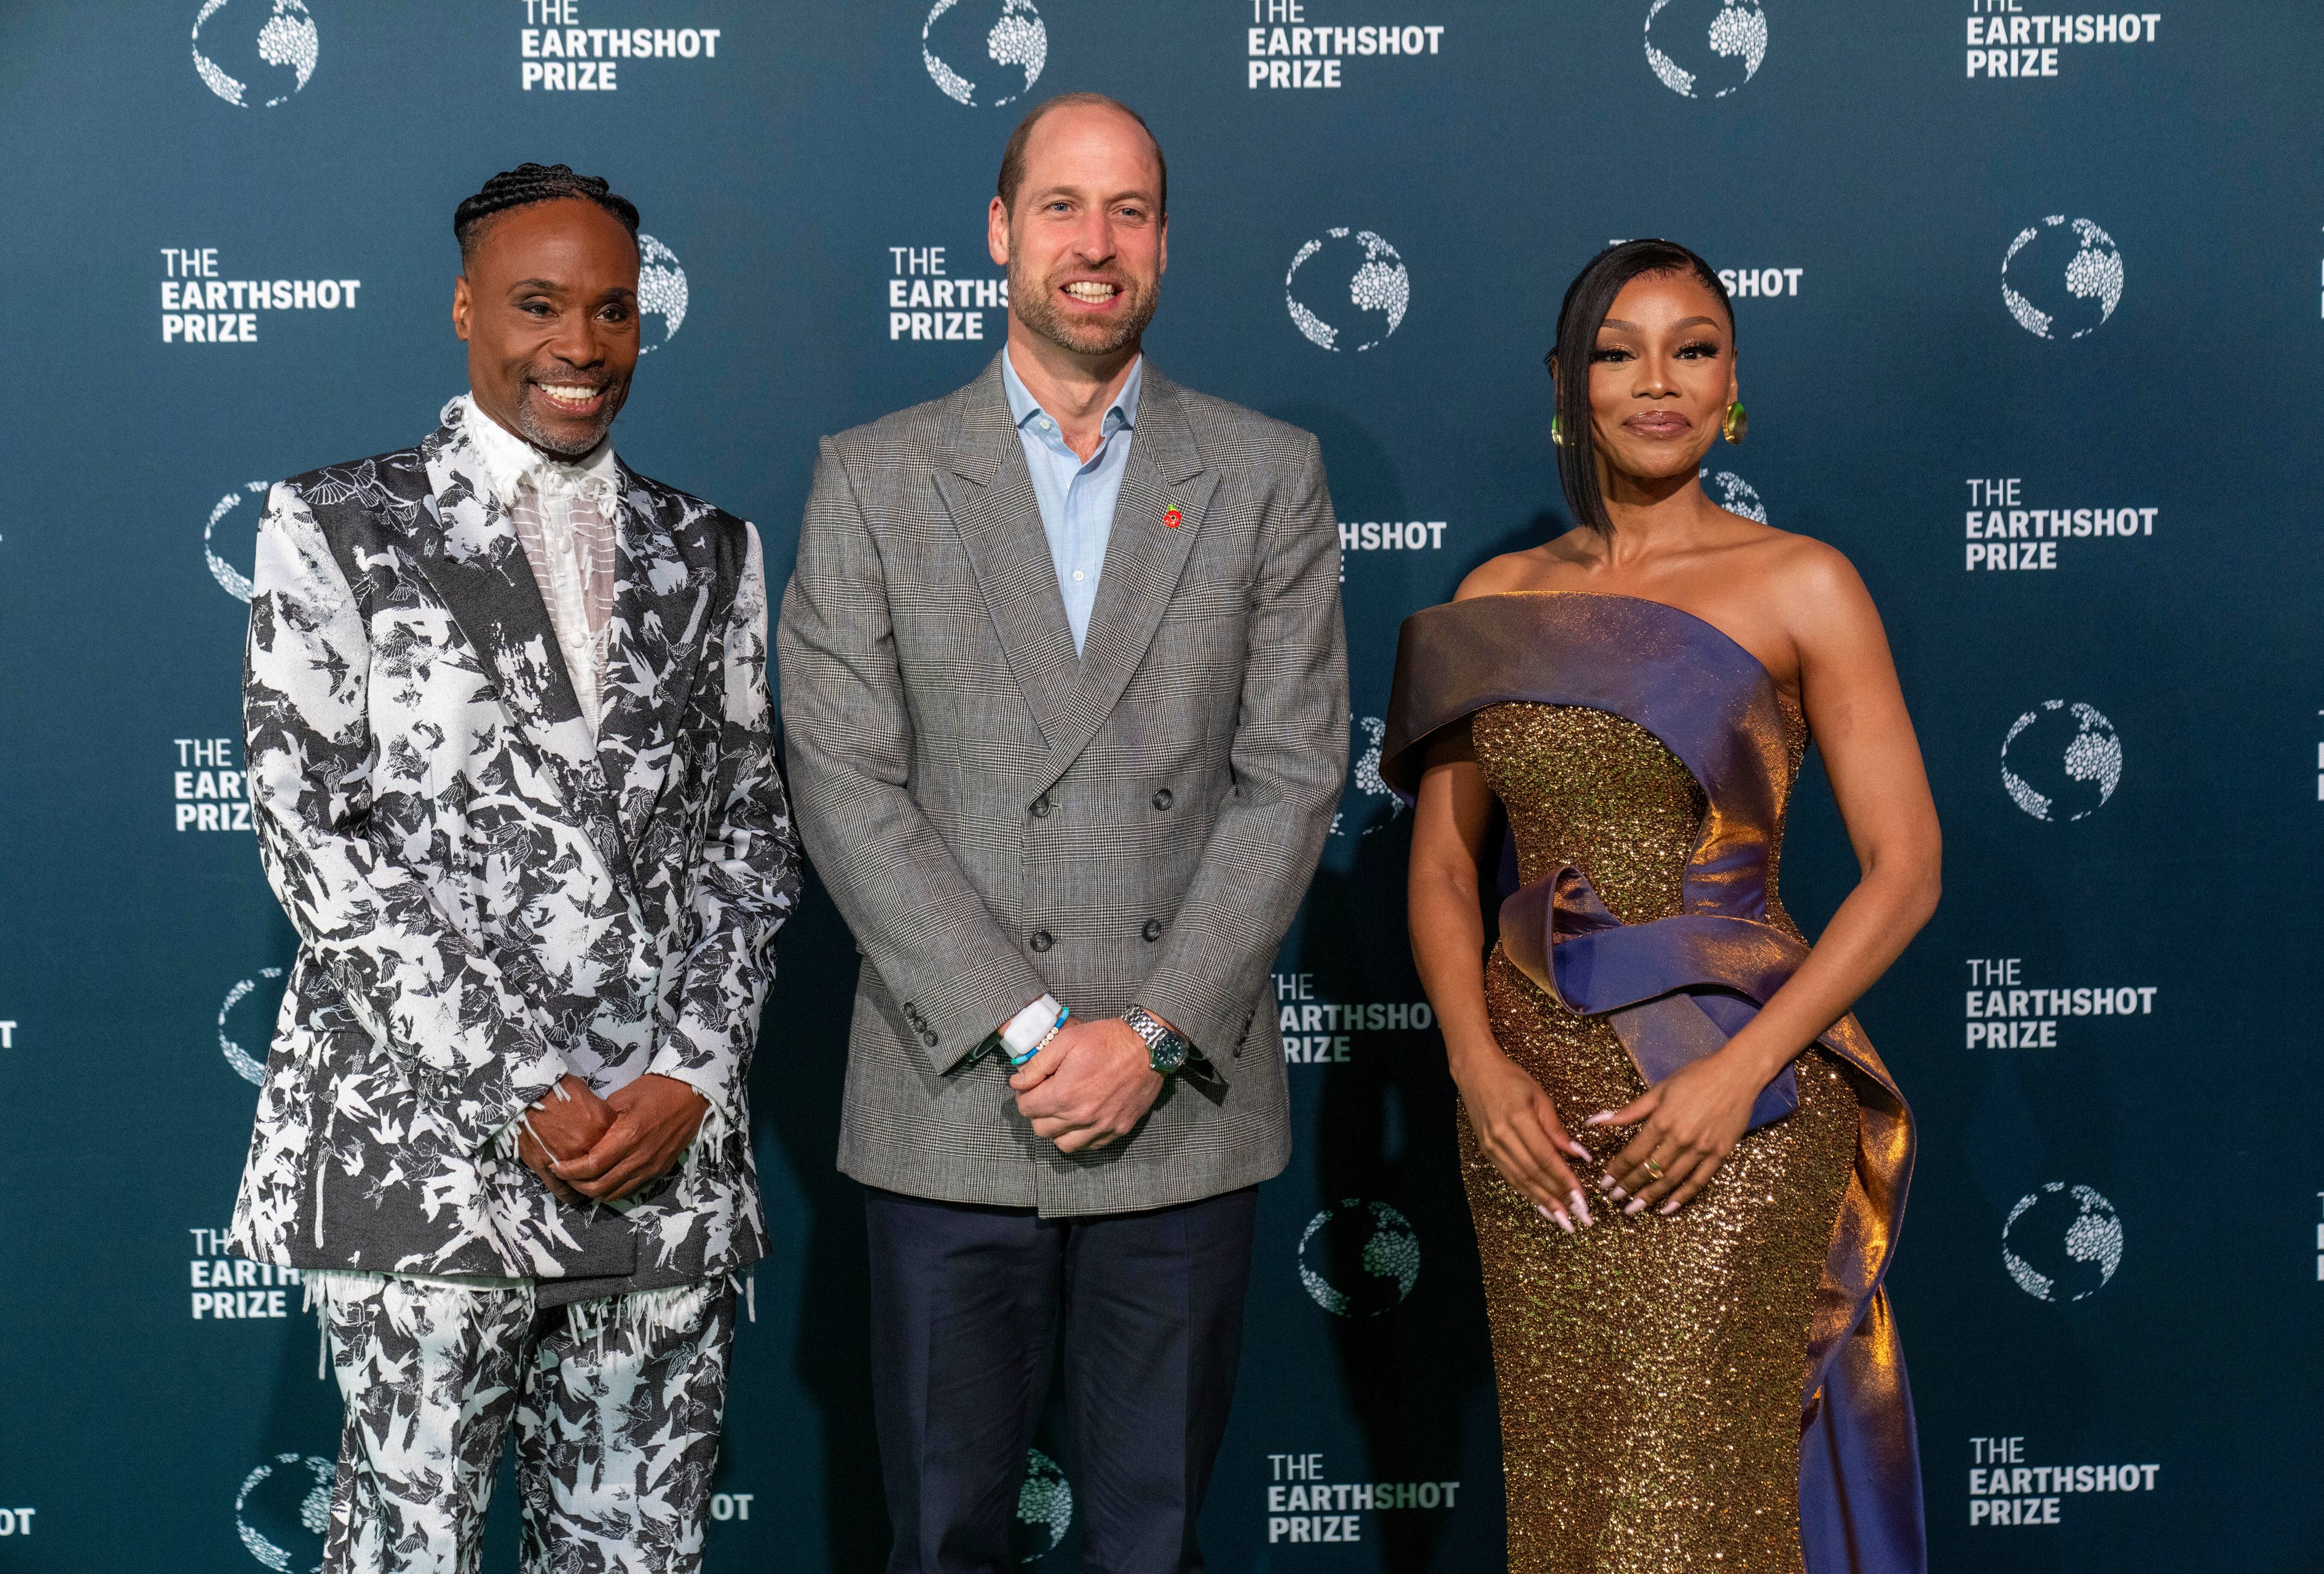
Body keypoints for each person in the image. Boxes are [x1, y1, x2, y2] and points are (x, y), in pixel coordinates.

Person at [777, 92, 1348, 1574]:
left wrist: (1149, 1033)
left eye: (1131, 211)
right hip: (955, 1096)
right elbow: (844, 779)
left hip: (1183, 1107)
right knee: (946, 1536)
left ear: (1164, 241)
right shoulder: (876, 473)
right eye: (1062, 208)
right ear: (999, 233)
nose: (1096, 245)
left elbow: (1291, 773)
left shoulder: (1263, 471)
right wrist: (1032, 1026)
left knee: (1153, 1541)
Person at [230, 164, 800, 1574]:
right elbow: (320, 837)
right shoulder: (335, 523)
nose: (582, 345)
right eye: (540, 304)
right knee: (405, 1552)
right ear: (466, 309)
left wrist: (694, 1073)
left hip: (661, 1166)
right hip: (431, 1161)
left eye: (613, 310)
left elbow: (749, 831)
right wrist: (517, 1085)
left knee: (637, 1555)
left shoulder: (716, 549)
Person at [1386, 240, 1938, 1574]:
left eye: (1693, 349)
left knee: (1696, 1511)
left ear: (1732, 385)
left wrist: (1741, 1075)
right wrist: (1477, 1071)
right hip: (1534, 1132)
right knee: (1573, 1513)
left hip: (1729, 1115)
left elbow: (1907, 865)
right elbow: (1449, 868)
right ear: (1570, 388)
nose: (1658, 381)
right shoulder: (1490, 602)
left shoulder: (1804, 582)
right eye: (1620, 351)